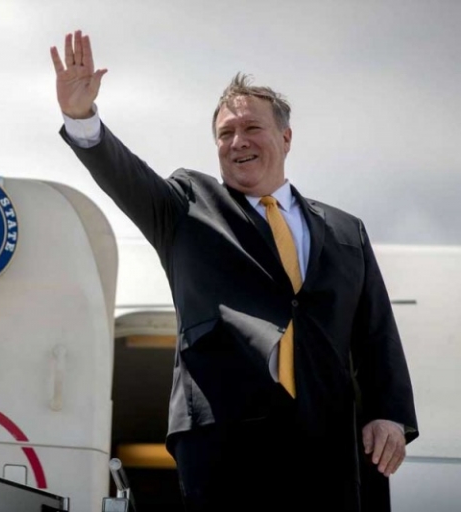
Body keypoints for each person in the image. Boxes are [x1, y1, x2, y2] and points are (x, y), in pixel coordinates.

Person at [50, 30, 418, 511]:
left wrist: (388, 414)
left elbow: (376, 334)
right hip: (227, 441)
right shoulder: (187, 206)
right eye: (225, 134)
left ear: (285, 137)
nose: (237, 142)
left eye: (250, 128)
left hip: (331, 445)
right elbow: (127, 177)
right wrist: (82, 118)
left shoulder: (347, 230)